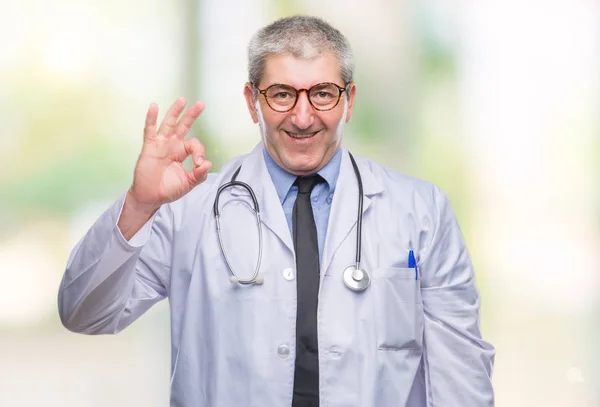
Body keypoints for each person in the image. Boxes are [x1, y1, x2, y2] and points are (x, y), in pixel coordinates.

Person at [58, 15, 495, 407]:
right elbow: (84, 313)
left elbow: (461, 374)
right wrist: (140, 204)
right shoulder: (188, 211)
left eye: (322, 93)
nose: (303, 117)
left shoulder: (420, 211)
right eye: (282, 94)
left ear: (349, 99)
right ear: (252, 101)